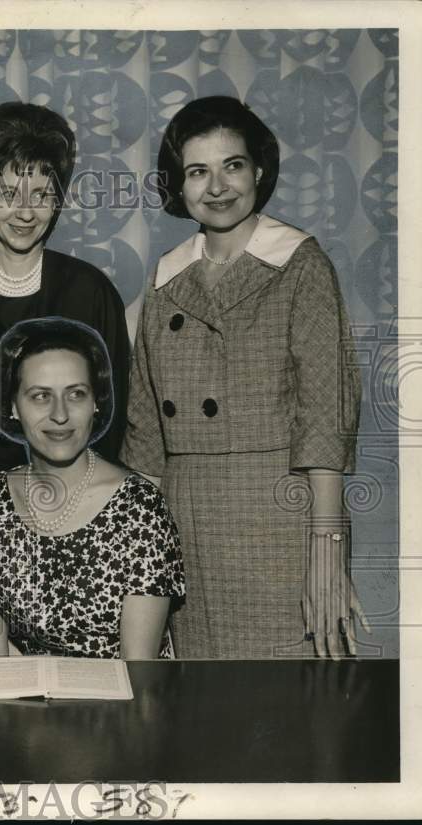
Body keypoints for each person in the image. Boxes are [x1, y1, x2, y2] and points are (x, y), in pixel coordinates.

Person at [120, 96, 366, 659]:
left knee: (287, 703)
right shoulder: (165, 276)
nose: (217, 186)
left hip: (281, 512)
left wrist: (326, 546)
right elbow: (144, 437)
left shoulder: (302, 263)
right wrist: (144, 556)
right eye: (197, 171)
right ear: (179, 186)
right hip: (186, 522)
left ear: (258, 169)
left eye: (232, 165)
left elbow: (326, 418)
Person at [0, 102, 131, 622]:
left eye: (41, 194)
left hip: (75, 526)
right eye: (8, 193)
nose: (25, 210)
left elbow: (114, 420)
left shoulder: (90, 292)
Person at [0, 318, 184, 659]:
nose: (60, 415)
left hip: (119, 704)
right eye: (40, 397)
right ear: (12, 407)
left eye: (76, 394)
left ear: (96, 402)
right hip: (24, 702)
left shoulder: (140, 509)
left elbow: (138, 668)